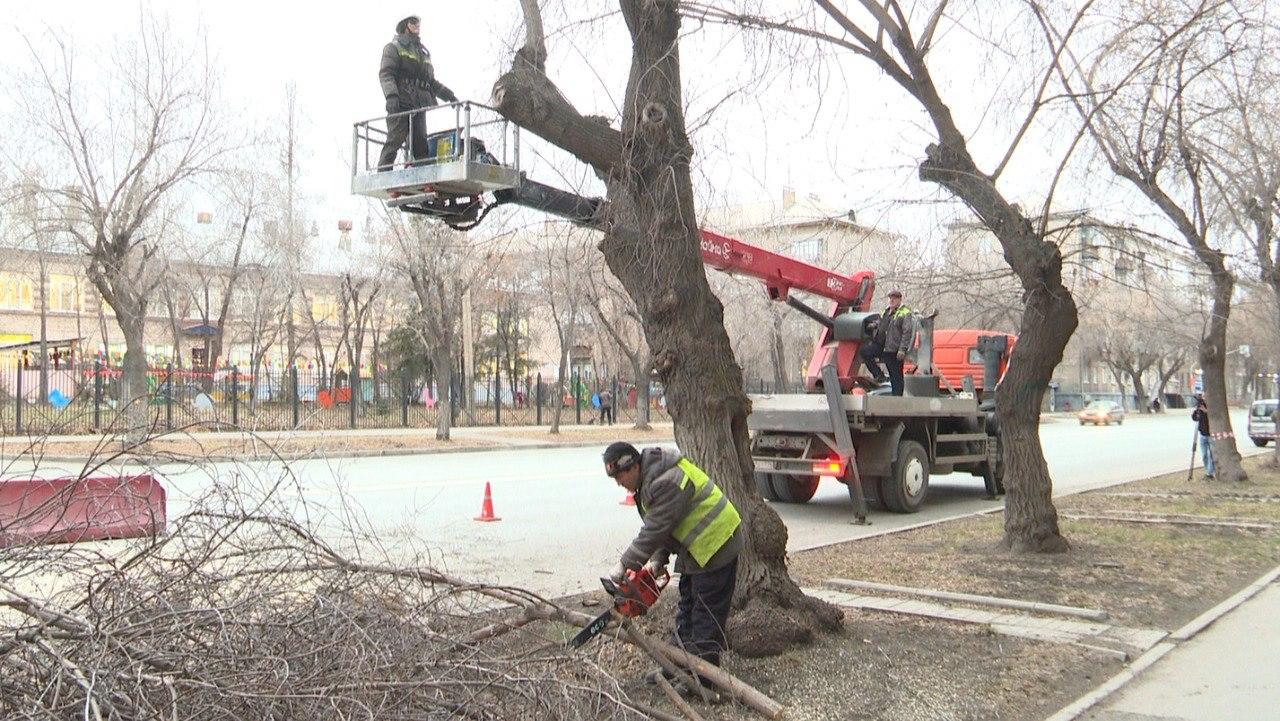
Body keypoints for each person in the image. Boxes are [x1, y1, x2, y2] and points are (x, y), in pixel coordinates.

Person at [602, 442, 741, 698]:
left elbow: (655, 528)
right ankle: (677, 665)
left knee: (705, 614)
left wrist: (626, 564)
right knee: (687, 607)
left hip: (717, 540)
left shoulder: (665, 480)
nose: (619, 484)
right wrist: (657, 560)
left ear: (632, 466)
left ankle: (703, 679)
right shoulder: (649, 480)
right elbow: (665, 527)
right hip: (697, 547)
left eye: (620, 477)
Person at [377, 16, 458, 171]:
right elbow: (386, 74)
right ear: (405, 25)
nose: (417, 25)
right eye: (413, 22)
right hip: (401, 102)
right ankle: (383, 172)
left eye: (418, 22)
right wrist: (391, 96)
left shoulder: (423, 52)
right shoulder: (393, 47)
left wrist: (449, 96)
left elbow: (430, 82)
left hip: (419, 104)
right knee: (395, 139)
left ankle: (424, 174)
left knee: (420, 142)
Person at [858, 289, 915, 396]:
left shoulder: (905, 313)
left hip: (894, 349)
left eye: (894, 298)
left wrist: (902, 349)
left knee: (896, 375)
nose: (892, 300)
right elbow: (881, 323)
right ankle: (878, 375)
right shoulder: (886, 311)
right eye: (890, 298)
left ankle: (897, 398)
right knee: (865, 352)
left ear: (899, 299)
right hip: (881, 346)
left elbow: (907, 332)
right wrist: (874, 325)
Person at [1192, 396, 1214, 480]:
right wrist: (1197, 412)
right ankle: (1207, 470)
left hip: (1210, 435)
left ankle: (1210, 473)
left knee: (1210, 455)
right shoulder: (1199, 408)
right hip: (1202, 434)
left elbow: (1214, 416)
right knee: (1204, 455)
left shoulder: (1210, 406)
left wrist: (1206, 411)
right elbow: (1194, 418)